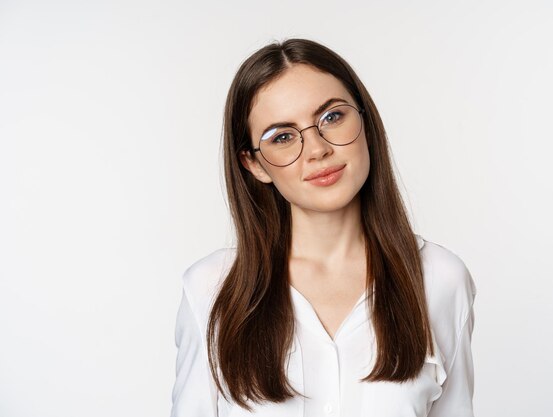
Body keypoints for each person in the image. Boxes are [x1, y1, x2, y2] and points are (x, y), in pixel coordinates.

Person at [170, 38, 477, 417]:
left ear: (365, 119)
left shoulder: (442, 279)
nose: (317, 149)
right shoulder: (210, 289)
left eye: (331, 117)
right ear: (255, 165)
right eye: (282, 137)